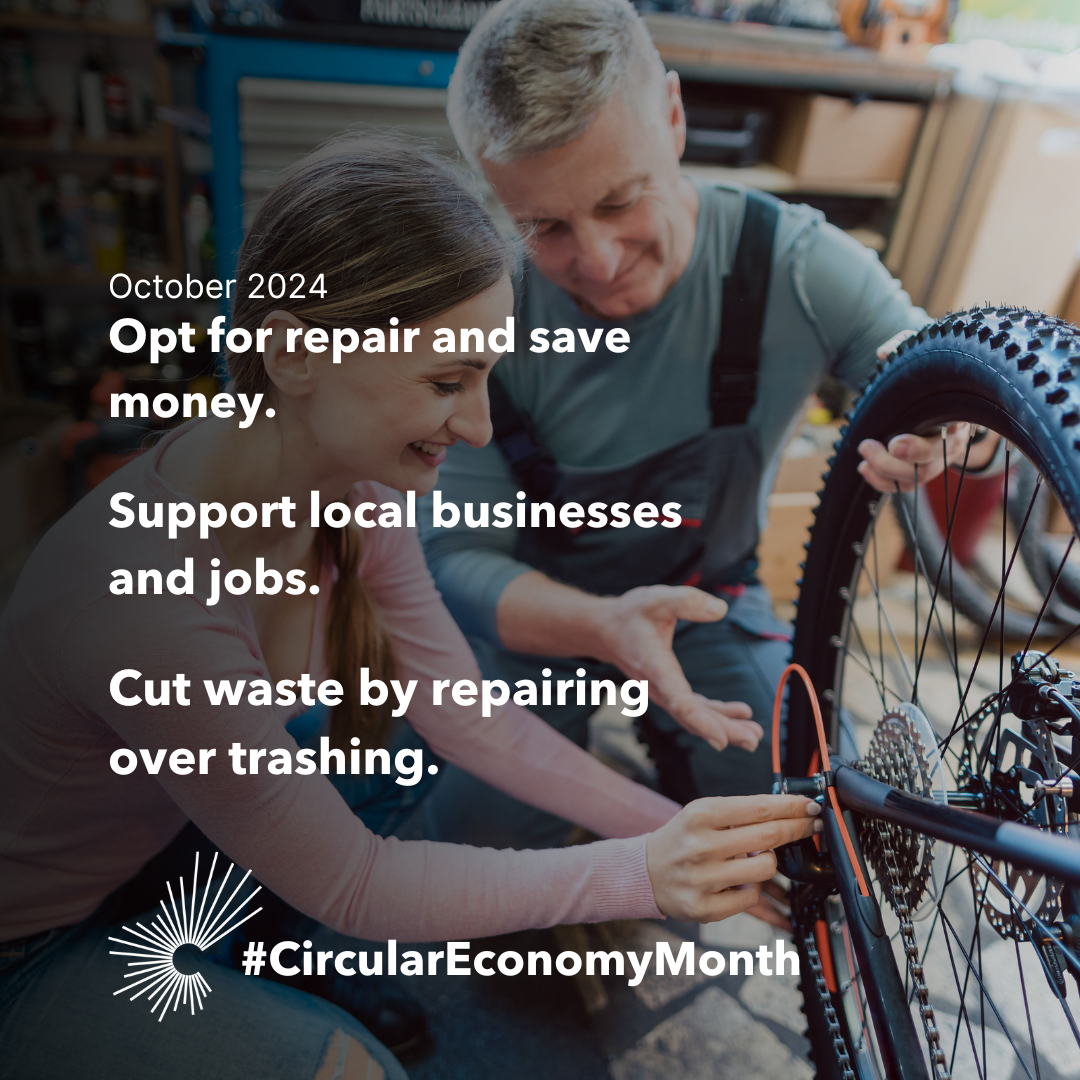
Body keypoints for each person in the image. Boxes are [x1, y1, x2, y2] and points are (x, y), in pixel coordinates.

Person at [0, 135, 821, 1080]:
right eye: (445, 382)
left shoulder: (350, 487)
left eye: (484, 378)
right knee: (360, 1072)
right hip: (27, 950)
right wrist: (641, 876)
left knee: (392, 749)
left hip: (152, 845)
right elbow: (359, 881)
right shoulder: (148, 598)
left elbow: (481, 725)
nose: (476, 426)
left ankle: (262, 964)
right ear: (297, 350)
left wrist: (675, 831)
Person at [419, 0, 998, 853]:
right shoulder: (486, 310)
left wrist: (950, 438)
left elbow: (961, 392)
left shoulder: (797, 268)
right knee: (482, 831)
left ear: (675, 118)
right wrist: (606, 628)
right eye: (544, 226)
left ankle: (674, 743)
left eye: (621, 199)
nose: (600, 259)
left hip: (706, 605)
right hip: (534, 619)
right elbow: (456, 560)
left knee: (793, 798)